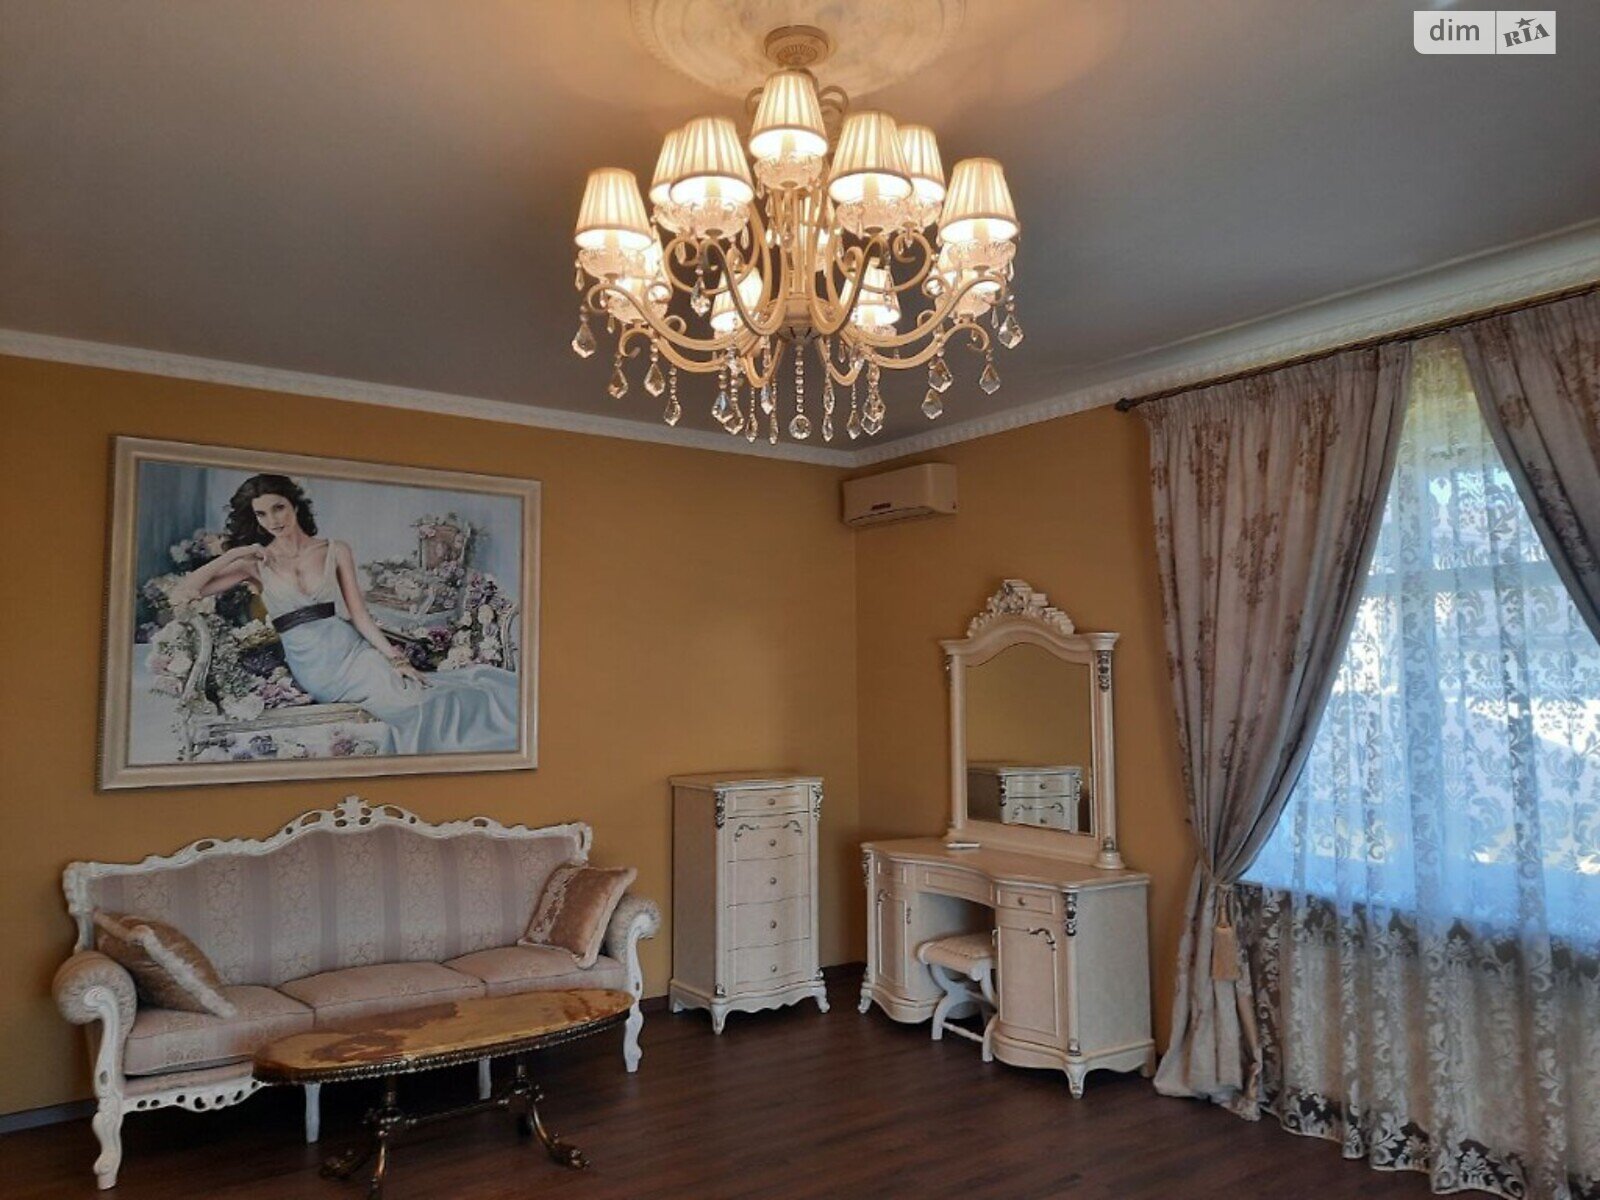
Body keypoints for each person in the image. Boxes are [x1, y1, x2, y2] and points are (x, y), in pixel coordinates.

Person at [173, 473, 519, 755]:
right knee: (413, 704)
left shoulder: (335, 550)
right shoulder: (255, 562)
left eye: (278, 508)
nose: (273, 520)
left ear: (295, 505)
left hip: (352, 649)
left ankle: (495, 724)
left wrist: (396, 659)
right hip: (316, 668)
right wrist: (235, 554)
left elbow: (359, 615)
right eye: (262, 514)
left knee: (420, 696)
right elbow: (184, 592)